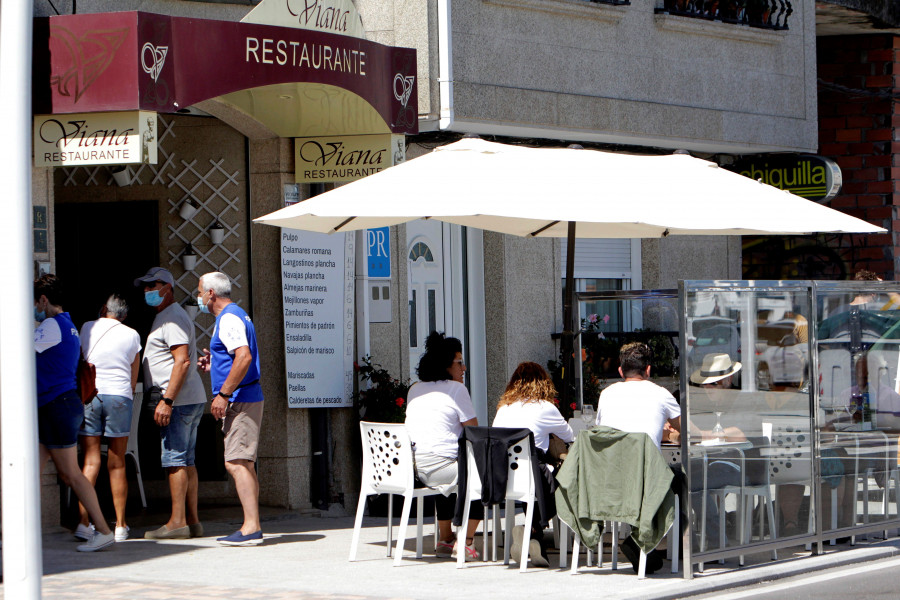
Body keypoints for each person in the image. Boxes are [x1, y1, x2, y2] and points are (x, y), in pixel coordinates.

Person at [34, 274, 115, 552]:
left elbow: (15, 352)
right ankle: (16, 532)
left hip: (55, 405)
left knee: (71, 473)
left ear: (44, 300)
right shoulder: (67, 324)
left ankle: (103, 530)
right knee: (27, 471)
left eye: (35, 302)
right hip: (58, 405)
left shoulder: (50, 326)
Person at [593, 341, 681, 572]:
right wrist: (670, 434)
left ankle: (642, 542)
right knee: (679, 480)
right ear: (648, 370)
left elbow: (604, 430)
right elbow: (685, 431)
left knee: (651, 477)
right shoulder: (661, 394)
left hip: (607, 479)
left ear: (621, 371)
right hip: (644, 480)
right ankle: (645, 541)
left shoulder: (606, 394)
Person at [136, 267, 207, 540]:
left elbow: (182, 360)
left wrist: (167, 400)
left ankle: (178, 522)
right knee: (186, 460)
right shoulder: (168, 316)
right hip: (188, 398)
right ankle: (192, 520)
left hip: (178, 401)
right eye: (144, 287)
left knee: (175, 460)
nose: (147, 291)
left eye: (152, 286)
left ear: (168, 287)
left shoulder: (172, 319)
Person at [196, 271, 265, 546]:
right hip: (244, 395)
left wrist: (223, 394)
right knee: (243, 462)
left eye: (200, 291)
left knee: (235, 462)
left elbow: (244, 357)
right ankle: (252, 525)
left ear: (211, 293)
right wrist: (216, 367)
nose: (199, 297)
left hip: (241, 398)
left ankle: (251, 528)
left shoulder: (229, 319)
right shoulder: (235, 316)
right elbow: (237, 357)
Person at [404, 331, 483, 560]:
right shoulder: (457, 389)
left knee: (452, 471)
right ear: (446, 366)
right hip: (439, 466)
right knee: (480, 476)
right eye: (460, 363)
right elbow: (473, 431)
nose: (464, 368)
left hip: (414, 469)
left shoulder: (415, 389)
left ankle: (446, 538)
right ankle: (465, 542)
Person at [493, 361, 574, 567]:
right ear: (543, 383)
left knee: (535, 476)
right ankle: (533, 532)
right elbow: (569, 435)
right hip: (533, 473)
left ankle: (533, 534)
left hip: (502, 476)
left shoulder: (504, 408)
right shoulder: (545, 407)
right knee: (559, 484)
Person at [76, 294, 142, 542]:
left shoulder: (87, 327)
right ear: (124, 315)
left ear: (104, 309)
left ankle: (83, 523)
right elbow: (133, 375)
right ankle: (121, 525)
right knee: (117, 462)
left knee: (90, 462)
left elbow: (81, 357)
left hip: (91, 394)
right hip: (119, 397)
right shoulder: (132, 334)